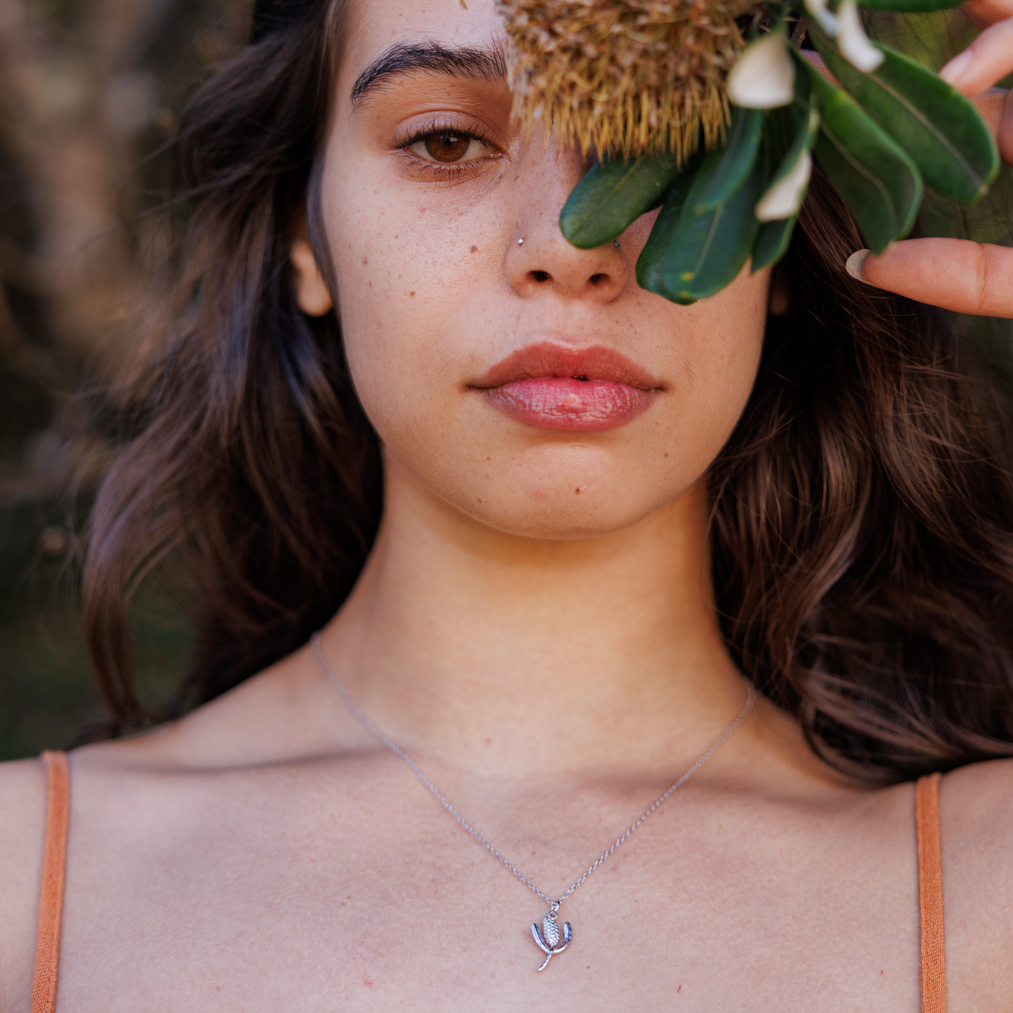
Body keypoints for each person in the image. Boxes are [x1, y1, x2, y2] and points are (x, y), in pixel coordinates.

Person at [1, 0, 1012, 1008]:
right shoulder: (25, 889)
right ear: (300, 231)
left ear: (774, 219)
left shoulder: (982, 886)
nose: (569, 243)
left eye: (660, 136)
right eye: (446, 141)